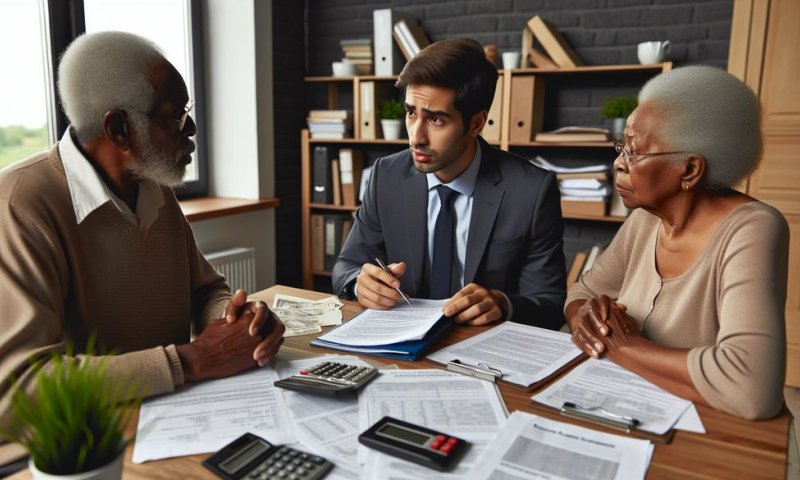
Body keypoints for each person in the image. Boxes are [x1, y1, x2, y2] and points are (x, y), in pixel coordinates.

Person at [0, 31, 285, 462]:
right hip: (74, 454)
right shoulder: (20, 203)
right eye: (174, 116)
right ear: (119, 129)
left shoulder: (153, 185)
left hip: (170, 419)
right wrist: (193, 360)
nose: (190, 130)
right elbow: (20, 388)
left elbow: (205, 290)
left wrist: (237, 321)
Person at [566, 66, 788, 420]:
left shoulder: (753, 228)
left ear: (689, 170)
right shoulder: (644, 219)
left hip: (715, 432)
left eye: (634, 152)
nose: (618, 163)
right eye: (621, 146)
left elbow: (751, 388)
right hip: (624, 406)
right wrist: (590, 320)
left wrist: (621, 345)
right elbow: (582, 293)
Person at [332, 38, 566, 328]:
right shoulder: (386, 176)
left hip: (481, 351)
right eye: (411, 113)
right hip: (400, 345)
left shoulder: (531, 191)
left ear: (476, 123)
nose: (416, 137)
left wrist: (504, 304)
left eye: (436, 120)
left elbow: (551, 303)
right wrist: (358, 283)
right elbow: (346, 266)